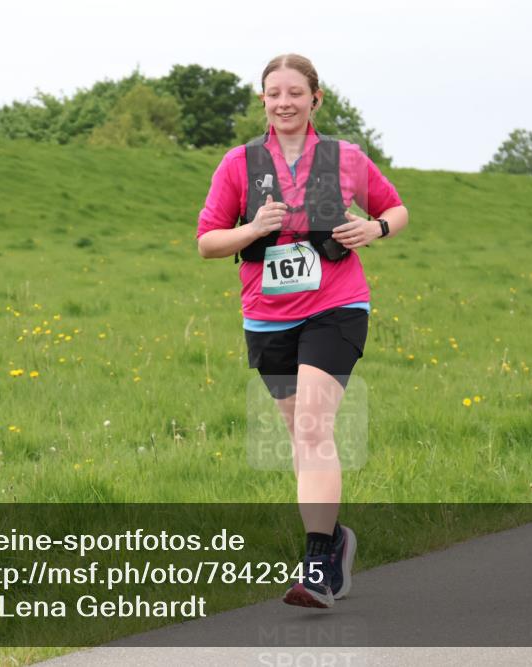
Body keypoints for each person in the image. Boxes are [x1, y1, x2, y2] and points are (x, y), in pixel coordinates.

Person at [196, 53, 408, 608]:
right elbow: (206, 242)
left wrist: (375, 227)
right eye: (273, 93)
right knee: (302, 439)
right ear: (263, 100)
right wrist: (251, 229)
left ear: (316, 98)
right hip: (266, 317)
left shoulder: (347, 157)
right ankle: (336, 540)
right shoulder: (238, 164)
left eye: (295, 92)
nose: (284, 102)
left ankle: (316, 563)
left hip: (337, 305)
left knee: (313, 428)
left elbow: (396, 208)